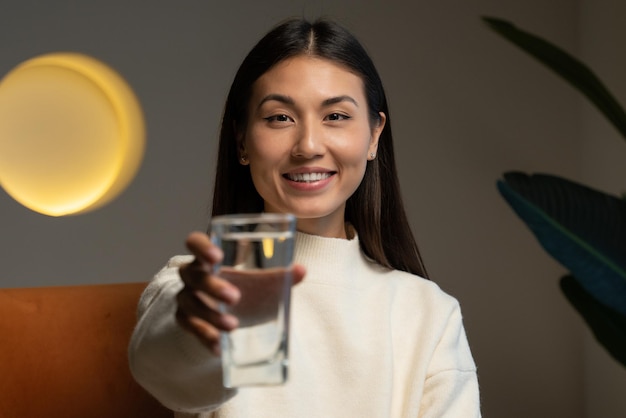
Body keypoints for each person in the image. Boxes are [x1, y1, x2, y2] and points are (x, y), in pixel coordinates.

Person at [129, 17, 481, 417]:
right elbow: (169, 370)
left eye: (336, 116)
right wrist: (201, 328)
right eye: (280, 117)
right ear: (242, 139)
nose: (308, 146)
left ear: (374, 135)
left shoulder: (427, 312)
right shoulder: (194, 287)